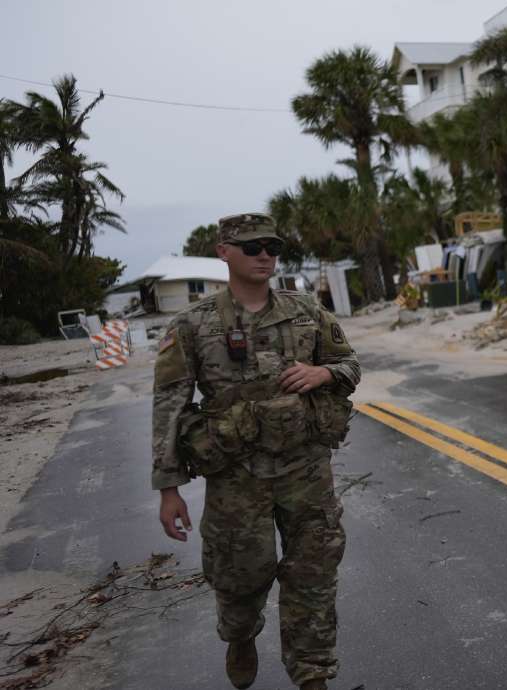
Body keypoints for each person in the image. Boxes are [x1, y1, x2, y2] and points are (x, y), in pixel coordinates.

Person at [151, 213, 360, 690]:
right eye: (252, 247)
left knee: (314, 572)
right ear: (223, 252)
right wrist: (168, 488)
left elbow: (349, 363)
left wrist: (323, 374)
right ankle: (240, 637)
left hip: (306, 469)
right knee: (240, 577)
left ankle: (312, 674)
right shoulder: (192, 325)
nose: (265, 254)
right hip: (235, 476)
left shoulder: (306, 311)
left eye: (272, 246)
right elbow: (168, 407)